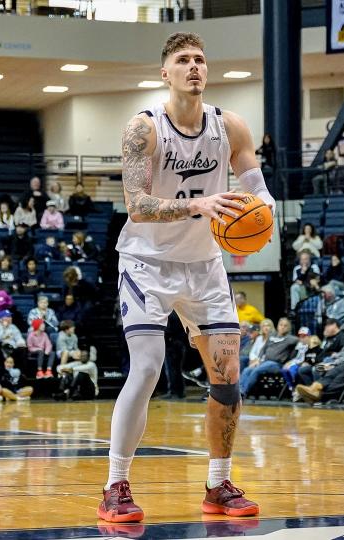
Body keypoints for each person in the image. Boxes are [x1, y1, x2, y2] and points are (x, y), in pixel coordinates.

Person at [101, 32, 273, 523]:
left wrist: (263, 212)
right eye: (183, 60)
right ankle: (115, 485)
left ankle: (218, 486)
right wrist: (198, 204)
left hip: (204, 265)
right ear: (166, 72)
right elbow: (136, 205)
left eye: (200, 59)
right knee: (149, 367)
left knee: (228, 376)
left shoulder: (230, 126)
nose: (194, 67)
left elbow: (257, 189)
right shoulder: (144, 128)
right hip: (145, 263)